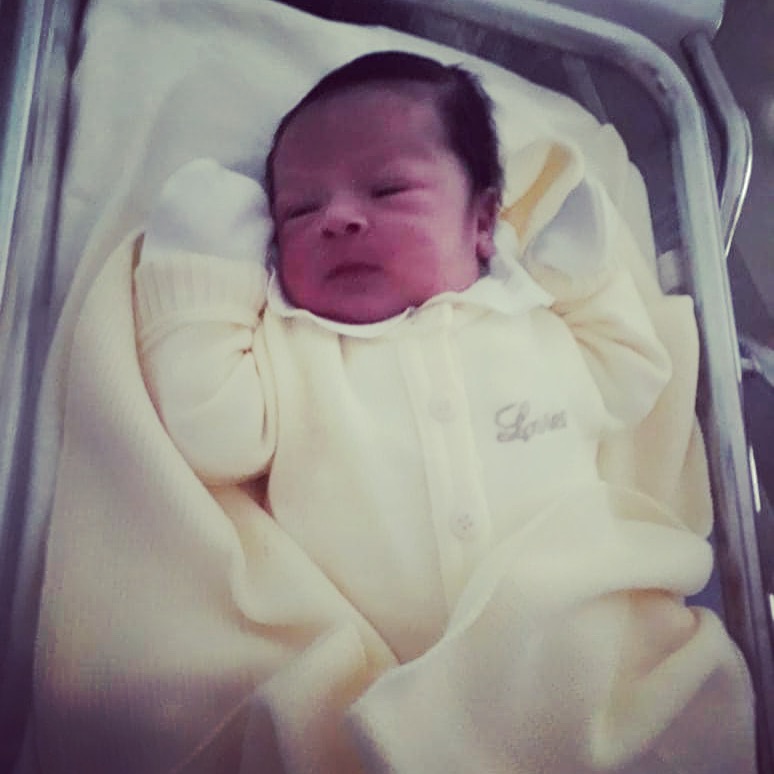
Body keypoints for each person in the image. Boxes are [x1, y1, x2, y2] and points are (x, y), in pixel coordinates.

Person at [131, 51, 755, 772]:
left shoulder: (529, 315)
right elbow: (214, 433)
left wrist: (575, 258)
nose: (338, 218)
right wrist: (205, 261)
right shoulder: (293, 346)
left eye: (388, 189)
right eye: (299, 210)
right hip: (382, 692)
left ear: (483, 221)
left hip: (577, 657)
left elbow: (633, 376)